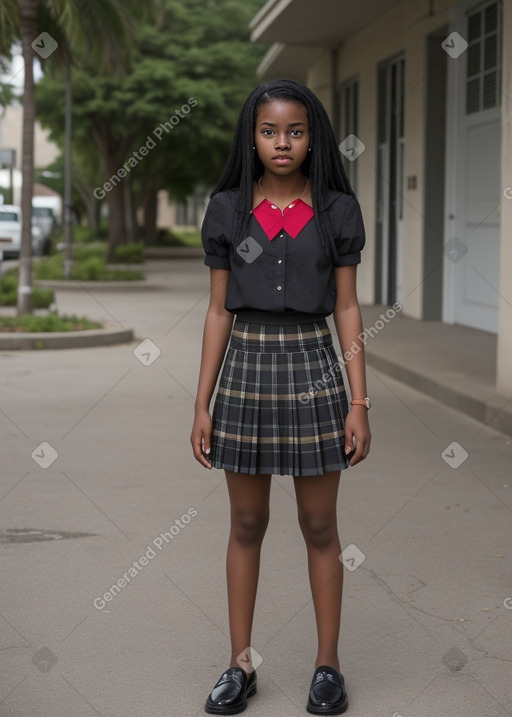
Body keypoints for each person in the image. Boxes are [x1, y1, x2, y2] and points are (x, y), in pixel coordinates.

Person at [191, 78, 371, 716]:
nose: (282, 142)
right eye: (269, 131)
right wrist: (202, 401)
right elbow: (217, 312)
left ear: (312, 136)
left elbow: (347, 308)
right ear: (253, 137)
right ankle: (239, 665)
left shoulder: (336, 211)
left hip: (316, 368)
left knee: (319, 524)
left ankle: (328, 666)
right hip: (245, 367)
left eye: (295, 130)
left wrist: (358, 402)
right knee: (246, 523)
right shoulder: (228, 211)